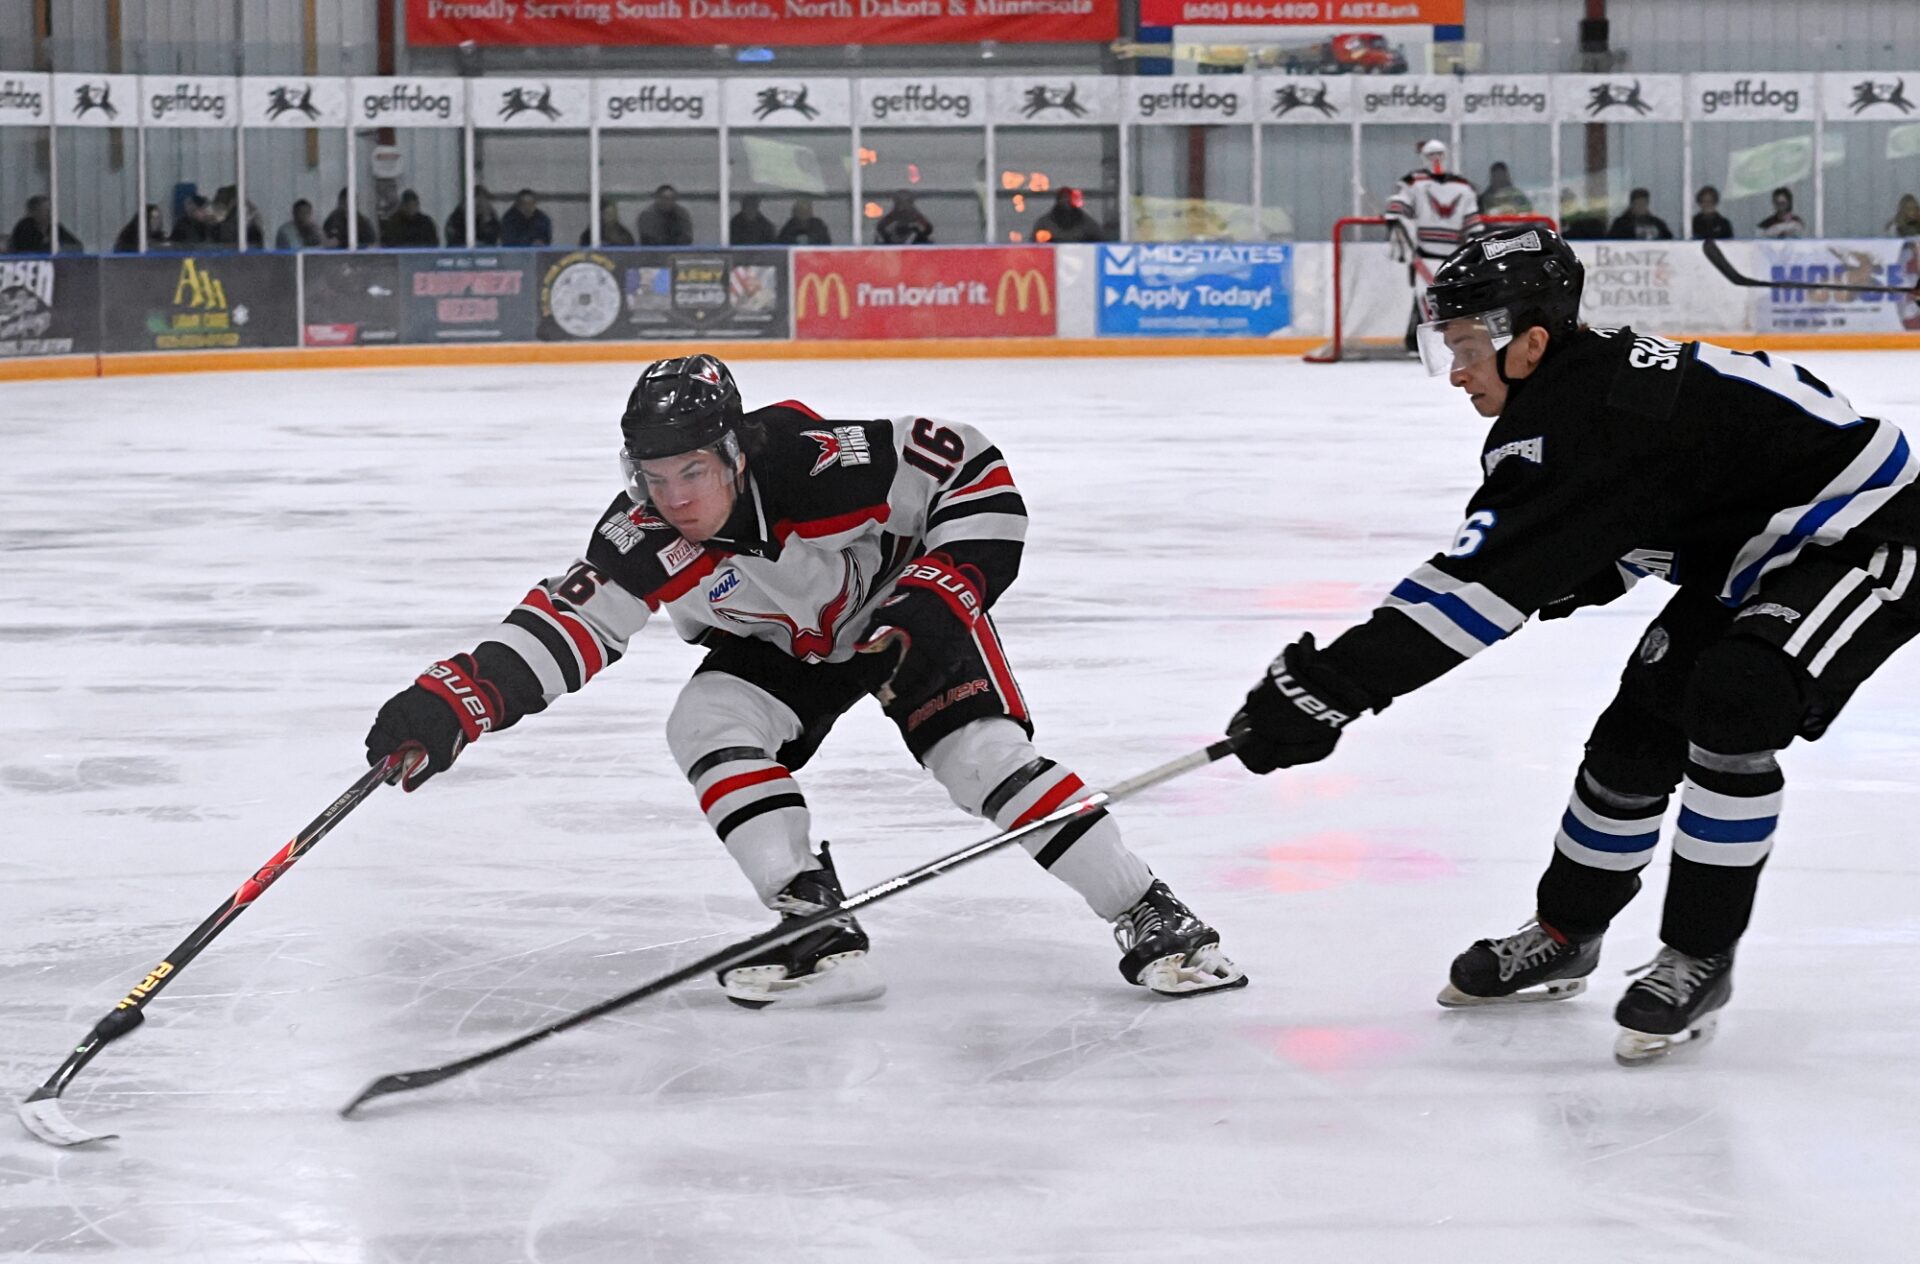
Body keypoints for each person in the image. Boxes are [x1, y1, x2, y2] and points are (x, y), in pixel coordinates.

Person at [1226, 226, 1920, 1065]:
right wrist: (1564, 576)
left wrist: (1321, 690)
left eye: (1470, 346)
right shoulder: (1578, 400)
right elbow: (1631, 520)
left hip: (1873, 535)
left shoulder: (1587, 418)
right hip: (1754, 556)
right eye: (1447, 347)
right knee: (1633, 741)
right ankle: (1567, 932)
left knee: (1738, 699)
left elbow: (1470, 595)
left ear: (1534, 341)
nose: (1456, 370)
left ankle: (1698, 952)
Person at [363, 355, 1247, 1008]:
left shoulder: (825, 461)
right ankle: (811, 919)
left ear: (737, 452)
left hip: (902, 614)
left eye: (692, 473)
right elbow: (571, 625)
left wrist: (938, 602)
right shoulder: (641, 534)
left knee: (982, 758)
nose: (672, 498)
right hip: (785, 644)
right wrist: (455, 701)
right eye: (654, 477)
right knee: (704, 722)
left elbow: (977, 474)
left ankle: (1151, 912)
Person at [1385, 139, 1484, 351]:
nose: (1436, 160)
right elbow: (1399, 206)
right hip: (1429, 255)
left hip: (1453, 256)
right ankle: (1431, 346)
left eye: (1439, 155)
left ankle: (1441, 344)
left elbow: (1473, 225)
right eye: (1432, 155)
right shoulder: (1415, 182)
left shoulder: (1461, 186)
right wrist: (1394, 213)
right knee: (1426, 302)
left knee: (1444, 301)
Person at [7, 195, 82, 254]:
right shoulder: (24, 227)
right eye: (46, 210)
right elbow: (27, 250)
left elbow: (77, 246)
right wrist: (48, 245)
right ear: (34, 212)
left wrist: (61, 247)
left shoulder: (55, 227)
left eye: (51, 210)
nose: (50, 214)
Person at [1032, 187, 1103, 244]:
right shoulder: (1045, 223)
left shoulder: (1087, 222)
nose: (1065, 201)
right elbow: (1036, 244)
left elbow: (1099, 240)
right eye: (1063, 198)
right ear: (1058, 200)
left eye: (1068, 198)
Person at [1606, 187, 1674, 241]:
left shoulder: (1658, 223)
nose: (1641, 207)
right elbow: (1613, 243)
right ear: (1632, 205)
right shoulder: (1620, 224)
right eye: (1637, 204)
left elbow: (1669, 241)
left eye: (1643, 203)